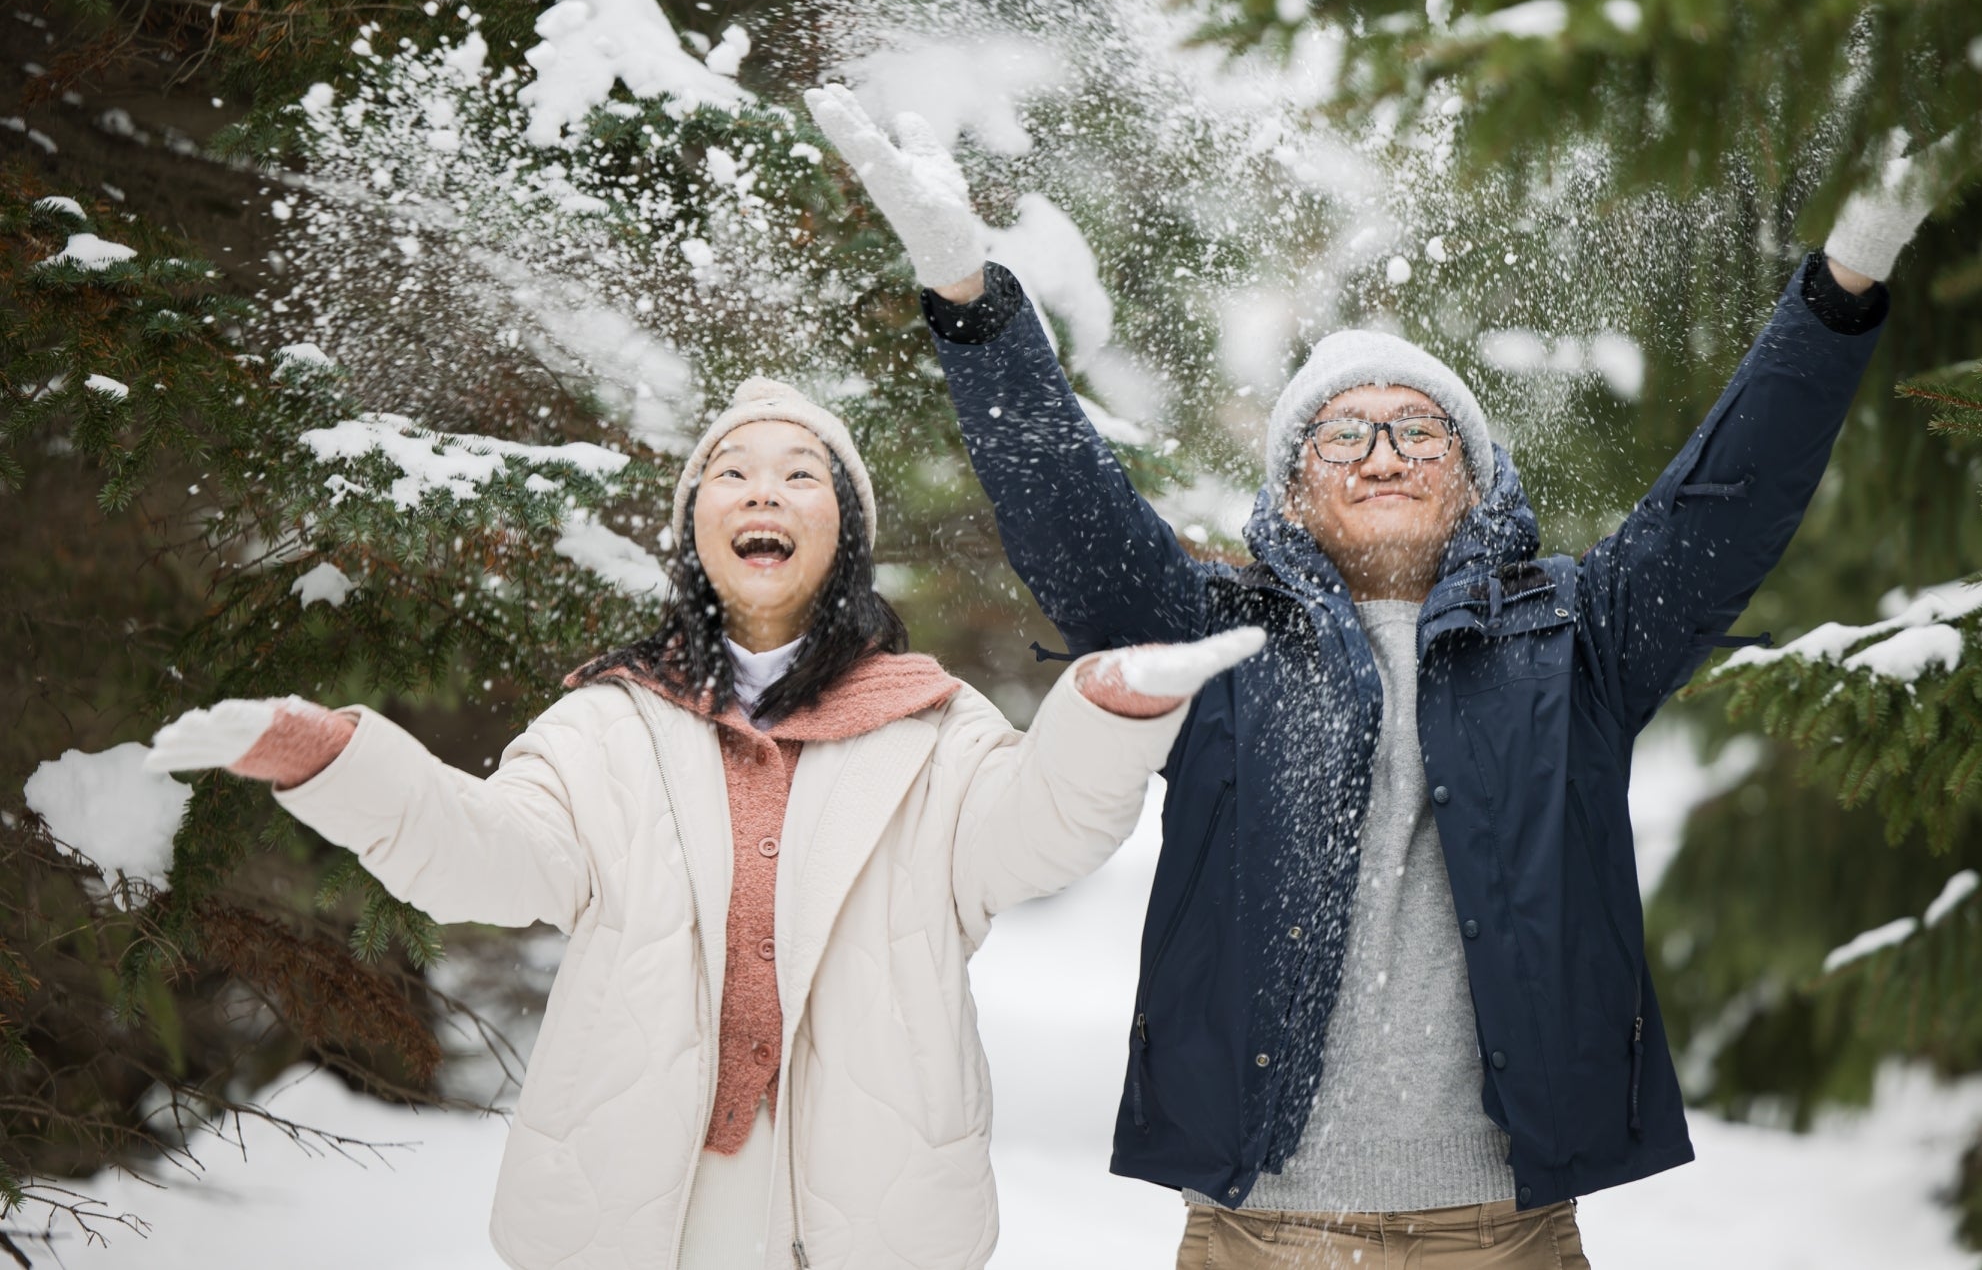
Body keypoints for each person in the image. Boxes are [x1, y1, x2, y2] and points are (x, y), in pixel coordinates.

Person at [806, 83, 1982, 1267]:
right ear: (1290, 488)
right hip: (1257, 1228)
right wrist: (970, 303)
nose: (1381, 452)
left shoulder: (1580, 636)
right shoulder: (1210, 637)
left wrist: (1840, 287)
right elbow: (1067, 512)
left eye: (1418, 431)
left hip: (1505, 1230)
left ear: (1473, 478)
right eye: (1341, 433)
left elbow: (1726, 500)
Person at [145, 375, 1267, 1270]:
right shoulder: (607, 720)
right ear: (696, 526)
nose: (761, 492)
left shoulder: (931, 724)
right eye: (730, 474)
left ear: (845, 531)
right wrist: (333, 758)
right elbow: (483, 861)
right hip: (635, 1203)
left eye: (798, 476)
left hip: (866, 1205)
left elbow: (1037, 834)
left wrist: (1110, 709)